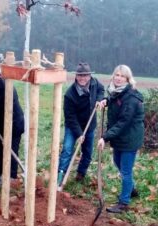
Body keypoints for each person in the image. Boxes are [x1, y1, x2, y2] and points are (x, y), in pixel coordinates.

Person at [97, 65, 144, 214]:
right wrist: (105, 100)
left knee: (125, 171)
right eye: (116, 75)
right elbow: (113, 100)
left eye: (122, 76)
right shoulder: (115, 92)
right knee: (118, 163)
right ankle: (132, 189)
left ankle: (124, 202)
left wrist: (104, 137)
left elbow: (123, 122)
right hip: (120, 138)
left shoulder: (131, 98)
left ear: (127, 79)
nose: (118, 78)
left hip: (129, 138)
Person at [57, 62, 105, 184]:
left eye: (85, 75)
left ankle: (81, 173)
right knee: (67, 150)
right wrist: (79, 134)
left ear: (89, 76)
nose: (83, 78)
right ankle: (60, 176)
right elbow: (70, 117)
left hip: (89, 126)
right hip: (73, 128)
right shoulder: (70, 94)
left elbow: (101, 89)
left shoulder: (94, 83)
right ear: (76, 76)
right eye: (80, 75)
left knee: (88, 152)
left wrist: (99, 100)